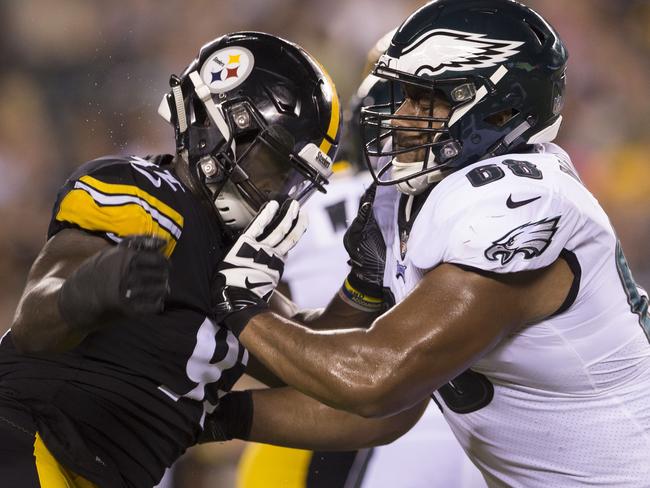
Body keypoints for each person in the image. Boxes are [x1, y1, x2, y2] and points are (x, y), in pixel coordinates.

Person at [210, 1, 650, 487]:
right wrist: (207, 410)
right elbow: (333, 360)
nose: (400, 116)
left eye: (427, 100)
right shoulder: (407, 202)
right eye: (403, 95)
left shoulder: (523, 200)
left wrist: (241, 306)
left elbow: (375, 381)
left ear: (502, 107)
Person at [0, 32, 426, 488]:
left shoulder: (233, 254)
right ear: (222, 127)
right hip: (31, 443)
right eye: (276, 163)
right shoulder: (143, 194)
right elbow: (33, 325)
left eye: (295, 179)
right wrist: (95, 287)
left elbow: (311, 354)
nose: (278, 192)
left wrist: (361, 285)